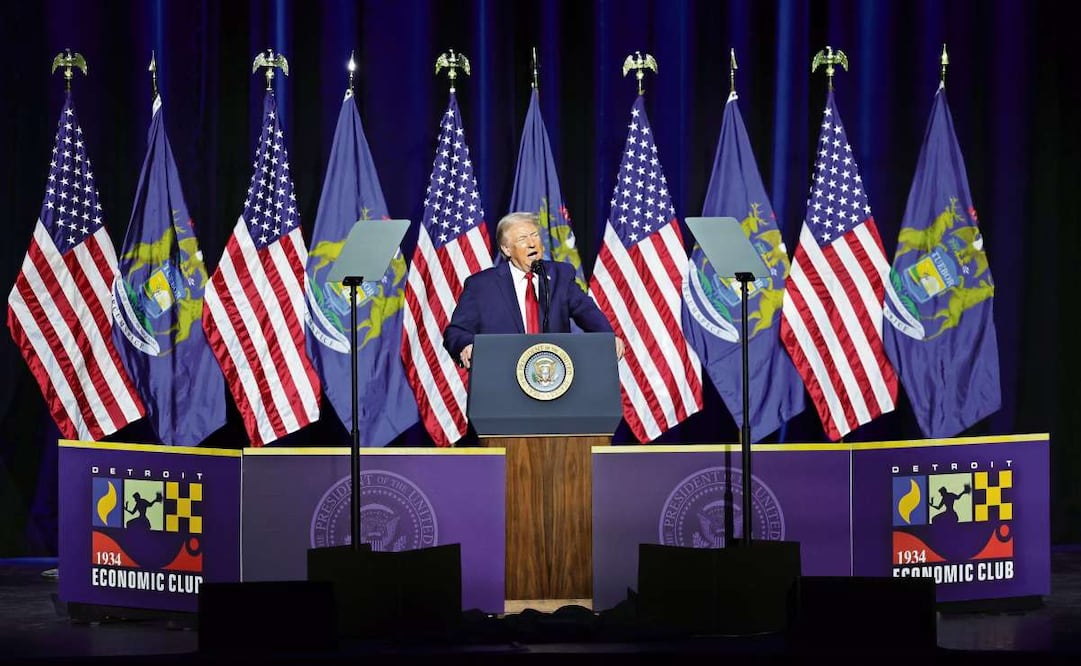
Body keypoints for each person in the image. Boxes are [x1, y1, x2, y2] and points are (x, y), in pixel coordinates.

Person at [444, 211, 625, 369]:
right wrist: (466, 345)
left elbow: (587, 311)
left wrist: (608, 337)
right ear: (507, 249)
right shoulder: (482, 285)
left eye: (535, 235)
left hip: (552, 378)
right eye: (523, 239)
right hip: (502, 378)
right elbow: (456, 332)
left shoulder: (560, 275)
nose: (532, 243)